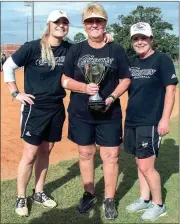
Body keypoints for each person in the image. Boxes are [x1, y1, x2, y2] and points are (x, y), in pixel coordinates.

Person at [3, 10, 112, 217]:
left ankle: (39, 192)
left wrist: (105, 39)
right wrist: (16, 93)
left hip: (56, 107)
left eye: (64, 22)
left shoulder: (69, 49)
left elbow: (90, 51)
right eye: (57, 22)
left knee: (46, 150)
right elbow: (8, 66)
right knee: (30, 154)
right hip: (34, 108)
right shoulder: (33, 47)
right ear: (49, 24)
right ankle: (20, 196)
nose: (61, 25)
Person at [61, 3, 131, 220]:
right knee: (86, 153)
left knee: (110, 155)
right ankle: (89, 194)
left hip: (109, 113)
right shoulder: (76, 49)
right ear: (84, 24)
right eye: (90, 21)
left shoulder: (116, 49)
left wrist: (111, 97)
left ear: (104, 24)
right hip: (81, 113)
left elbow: (125, 78)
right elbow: (64, 79)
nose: (94, 25)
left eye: (98, 21)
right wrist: (83, 87)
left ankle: (109, 199)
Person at [124, 22, 179, 221]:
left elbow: (170, 90)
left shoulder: (161, 59)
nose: (140, 42)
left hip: (151, 121)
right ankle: (144, 199)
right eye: (136, 39)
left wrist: (164, 119)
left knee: (147, 165)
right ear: (132, 41)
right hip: (132, 120)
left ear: (151, 39)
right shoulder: (131, 62)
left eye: (143, 38)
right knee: (139, 162)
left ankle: (159, 204)